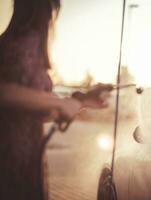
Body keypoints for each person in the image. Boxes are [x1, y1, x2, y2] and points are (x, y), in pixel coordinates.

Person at [0, 0, 112, 199]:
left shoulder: (15, 44)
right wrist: (60, 103)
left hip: (27, 165)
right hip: (9, 167)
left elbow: (28, 112)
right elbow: (5, 94)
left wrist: (81, 101)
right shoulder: (21, 45)